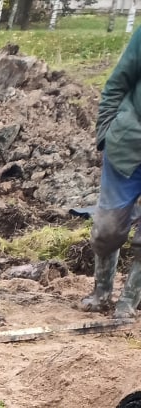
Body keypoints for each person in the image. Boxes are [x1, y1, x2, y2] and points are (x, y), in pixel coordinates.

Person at [82, 24, 141, 319]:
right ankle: (101, 292)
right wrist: (105, 132)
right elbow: (117, 82)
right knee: (106, 230)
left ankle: (129, 300)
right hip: (128, 144)